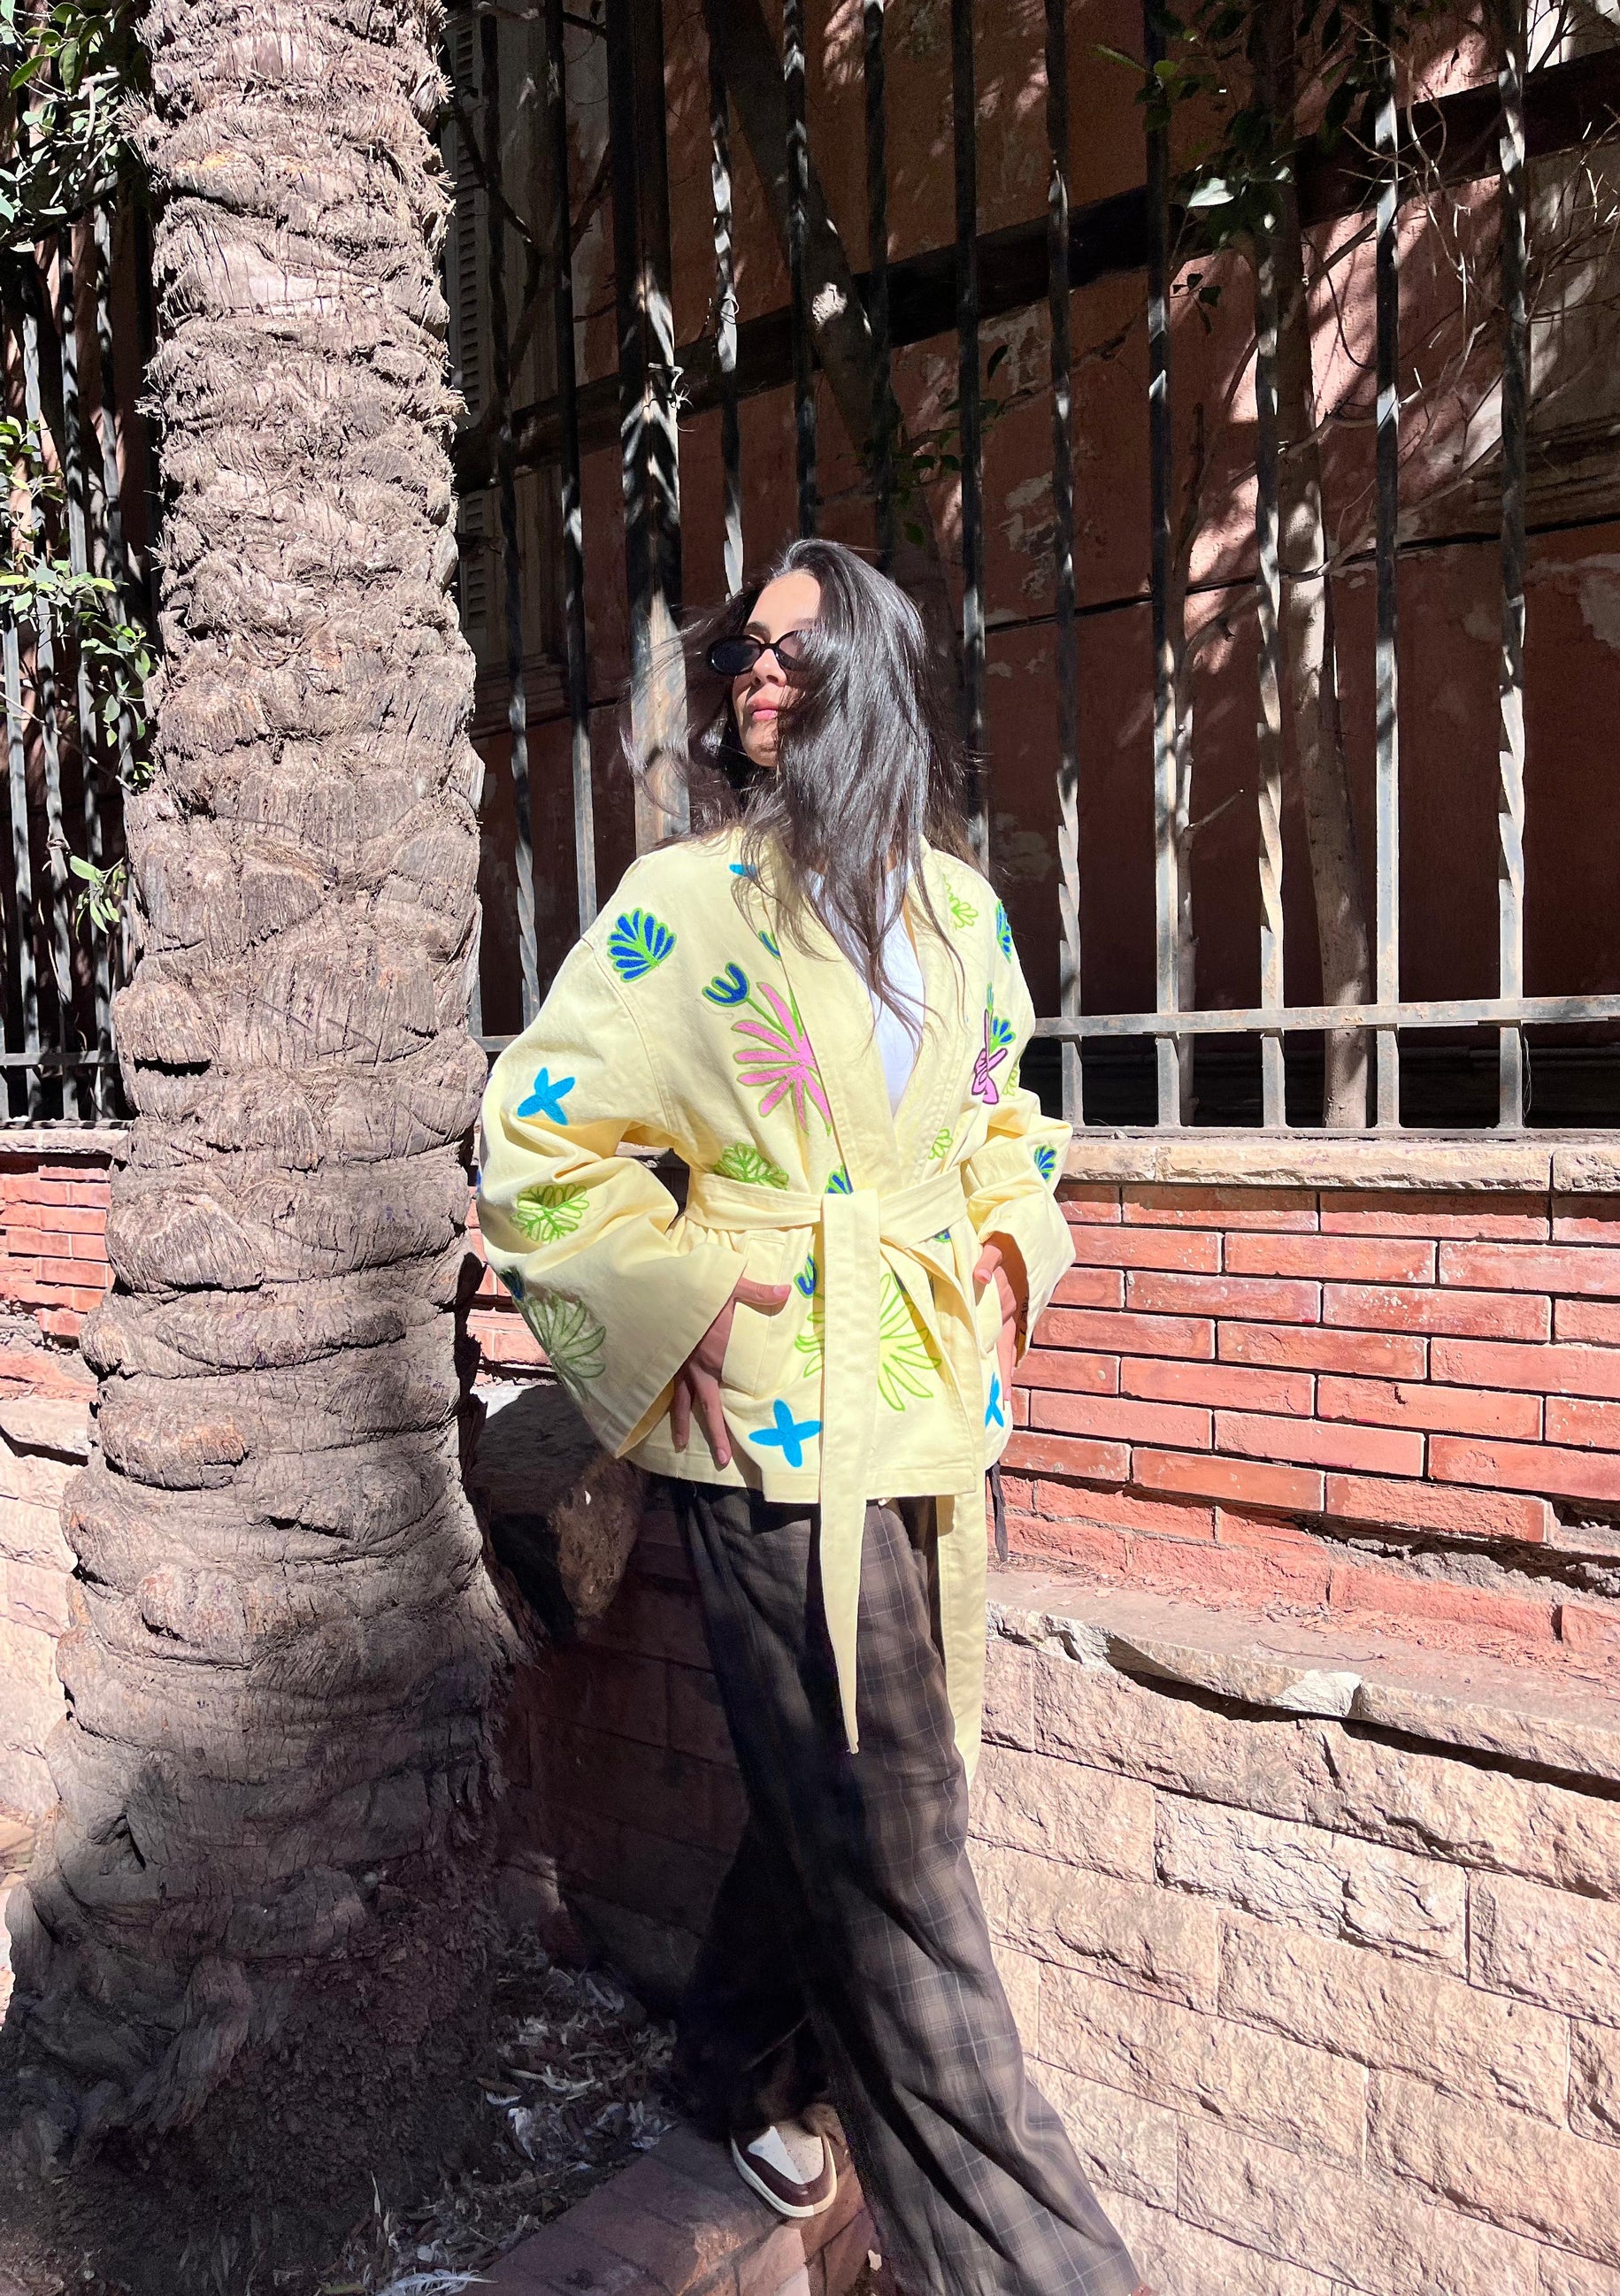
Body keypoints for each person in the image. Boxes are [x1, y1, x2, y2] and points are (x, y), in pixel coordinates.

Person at [476, 537, 1145, 2296]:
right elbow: (538, 1135)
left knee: (840, 1793)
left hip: (925, 1407)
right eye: (739, 652)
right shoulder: (685, 904)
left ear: (878, 674)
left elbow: (1004, 1117)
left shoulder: (959, 909)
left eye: (793, 647)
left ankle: (731, 2069)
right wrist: (679, 1291)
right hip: (773, 1425)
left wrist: (1007, 1240)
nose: (754, 674)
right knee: (899, 1851)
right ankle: (1037, 2263)